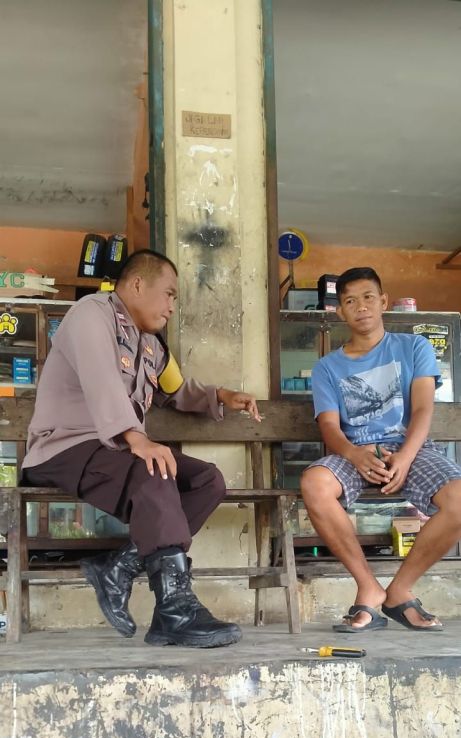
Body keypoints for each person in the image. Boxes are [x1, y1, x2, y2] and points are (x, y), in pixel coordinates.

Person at [22, 248, 261, 648]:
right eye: (169, 294)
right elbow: (101, 380)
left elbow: (176, 389)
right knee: (153, 470)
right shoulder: (91, 315)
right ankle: (175, 611)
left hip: (114, 450)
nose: (171, 307)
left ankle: (120, 566)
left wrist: (221, 395)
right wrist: (137, 438)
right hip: (63, 447)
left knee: (207, 480)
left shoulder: (151, 344)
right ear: (136, 284)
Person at [301, 266, 461, 632]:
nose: (361, 307)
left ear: (383, 301)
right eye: (350, 301)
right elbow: (329, 427)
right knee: (314, 483)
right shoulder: (327, 367)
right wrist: (354, 454)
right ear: (339, 311)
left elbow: (422, 410)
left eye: (368, 297)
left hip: (412, 449)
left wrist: (405, 456)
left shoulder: (413, 347)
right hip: (355, 452)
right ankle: (368, 587)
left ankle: (400, 591)